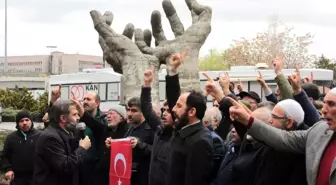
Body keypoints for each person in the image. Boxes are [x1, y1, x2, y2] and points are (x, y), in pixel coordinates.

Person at [31, 100, 92, 185]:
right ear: (63, 118)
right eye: (74, 114)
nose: (78, 117)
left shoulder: (68, 132)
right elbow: (65, 166)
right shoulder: (50, 138)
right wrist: (82, 148)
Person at [1, 110, 42, 185]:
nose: (25, 123)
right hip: (17, 178)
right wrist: (8, 169)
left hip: (37, 177)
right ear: (17, 123)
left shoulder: (40, 136)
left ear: (31, 121)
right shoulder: (11, 138)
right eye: (21, 121)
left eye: (27, 120)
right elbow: (5, 156)